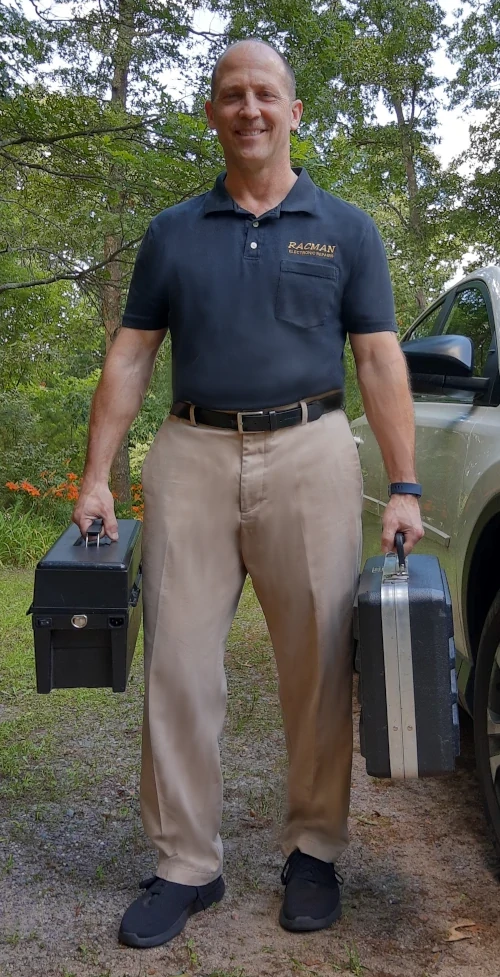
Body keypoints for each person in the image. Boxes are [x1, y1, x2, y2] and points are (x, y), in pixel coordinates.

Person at [73, 38, 424, 949]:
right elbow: (132, 353)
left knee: (319, 668)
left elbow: (380, 357)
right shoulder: (172, 232)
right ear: (212, 114)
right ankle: (186, 863)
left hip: (312, 451)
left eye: (266, 94)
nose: (250, 110)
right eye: (232, 95)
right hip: (190, 453)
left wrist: (403, 484)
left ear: (295, 111)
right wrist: (98, 474)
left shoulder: (345, 227)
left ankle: (312, 851)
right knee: (178, 666)